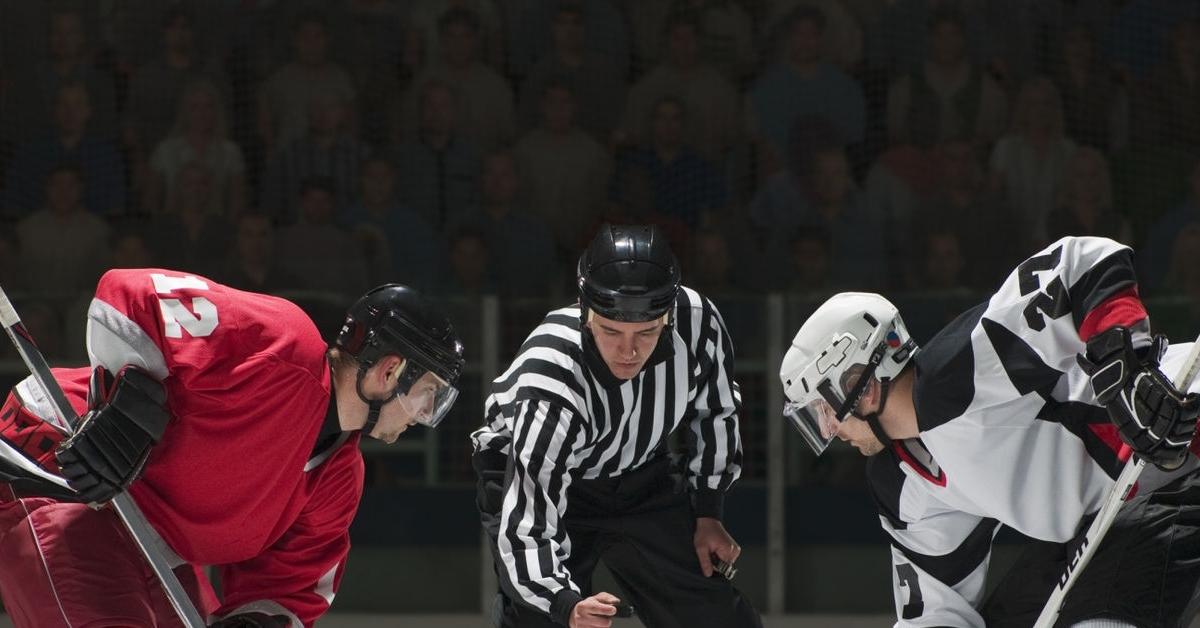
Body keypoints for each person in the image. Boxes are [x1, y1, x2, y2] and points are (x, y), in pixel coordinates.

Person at [0, 270, 465, 626]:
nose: (423, 417)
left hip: (149, 540)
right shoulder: (284, 344)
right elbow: (127, 296)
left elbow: (289, 587)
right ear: (389, 370)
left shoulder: (338, 478)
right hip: (57, 471)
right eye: (428, 395)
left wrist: (256, 620)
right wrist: (125, 414)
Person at [778, 236, 1200, 627]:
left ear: (859, 385)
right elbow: (936, 610)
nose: (829, 429)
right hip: (1096, 522)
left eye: (822, 409)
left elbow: (1085, 263)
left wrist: (1129, 367)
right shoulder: (898, 481)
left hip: (1172, 466)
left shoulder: (957, 373)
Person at [471, 224, 762, 628]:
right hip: (538, 480)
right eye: (611, 331)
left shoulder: (697, 324)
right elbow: (526, 524)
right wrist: (565, 605)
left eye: (646, 332)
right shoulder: (552, 377)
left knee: (717, 618)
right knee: (539, 619)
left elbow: (716, 412)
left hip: (640, 471)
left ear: (669, 315)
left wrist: (708, 512)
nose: (629, 351)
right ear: (585, 312)